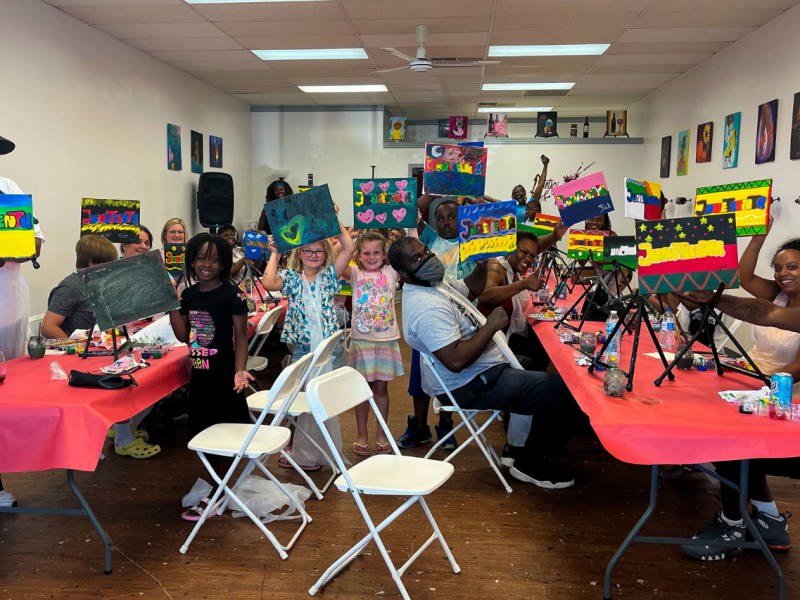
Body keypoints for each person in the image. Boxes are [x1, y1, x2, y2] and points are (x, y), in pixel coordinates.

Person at [389, 236, 577, 489]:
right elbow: (455, 360)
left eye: (426, 252)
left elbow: (469, 289)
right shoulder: (426, 307)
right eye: (417, 259)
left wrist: (480, 268)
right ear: (403, 273)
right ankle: (530, 464)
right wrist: (490, 327)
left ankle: (516, 448)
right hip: (467, 384)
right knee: (564, 392)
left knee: (530, 363)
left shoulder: (433, 283)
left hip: (486, 367)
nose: (428, 259)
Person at [676, 228, 800, 560]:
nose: (783, 274)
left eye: (793, 267)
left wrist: (759, 384)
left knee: (732, 440)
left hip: (781, 388)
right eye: (779, 267)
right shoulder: (779, 293)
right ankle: (768, 515)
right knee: (728, 427)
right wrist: (758, 233)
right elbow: (753, 294)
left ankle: (732, 524)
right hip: (754, 378)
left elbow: (768, 317)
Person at [262, 203, 354, 469]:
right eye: (308, 251)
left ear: (325, 254)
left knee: (323, 401)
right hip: (303, 349)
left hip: (328, 349)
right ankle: (304, 452)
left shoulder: (329, 277)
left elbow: (348, 248)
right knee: (302, 401)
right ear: (300, 253)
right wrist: (275, 253)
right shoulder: (291, 278)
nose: (313, 255)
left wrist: (334, 218)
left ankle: (319, 453)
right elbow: (268, 283)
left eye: (318, 251)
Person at [169, 233, 253, 520]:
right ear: (192, 261)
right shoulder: (189, 296)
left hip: (224, 376)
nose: (207, 264)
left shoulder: (232, 295)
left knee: (225, 436)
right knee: (204, 437)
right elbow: (183, 335)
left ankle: (217, 493)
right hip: (200, 379)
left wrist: (240, 371)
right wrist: (171, 303)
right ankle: (217, 488)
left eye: (215, 259)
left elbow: (240, 337)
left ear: (223, 264)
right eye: (202, 257)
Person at [396, 195, 486, 450]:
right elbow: (419, 210)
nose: (446, 222)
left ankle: (445, 422)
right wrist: (436, 187)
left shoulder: (472, 245)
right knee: (419, 377)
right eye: (440, 218)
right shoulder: (428, 241)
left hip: (460, 319)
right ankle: (419, 425)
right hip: (428, 318)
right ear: (434, 222)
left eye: (452, 217)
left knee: (449, 373)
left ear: (462, 219)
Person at [0, 134, 45, 508]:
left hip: (8, 305)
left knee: (5, 388)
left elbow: (34, 243)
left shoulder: (9, 191)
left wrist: (15, 244)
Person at [341, 231, 404, 456]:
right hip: (361, 342)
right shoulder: (354, 273)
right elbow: (336, 259)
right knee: (362, 390)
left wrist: (410, 223)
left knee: (381, 388)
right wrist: (347, 234)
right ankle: (361, 434)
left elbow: (411, 248)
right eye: (366, 253)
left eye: (376, 252)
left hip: (385, 342)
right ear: (358, 255)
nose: (371, 256)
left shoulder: (391, 271)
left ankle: (381, 433)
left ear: (385, 254)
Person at [41, 236, 118, 340]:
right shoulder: (70, 287)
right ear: (92, 264)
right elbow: (47, 328)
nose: (111, 269)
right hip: (77, 349)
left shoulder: (97, 284)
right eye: (108, 265)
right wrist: (73, 346)